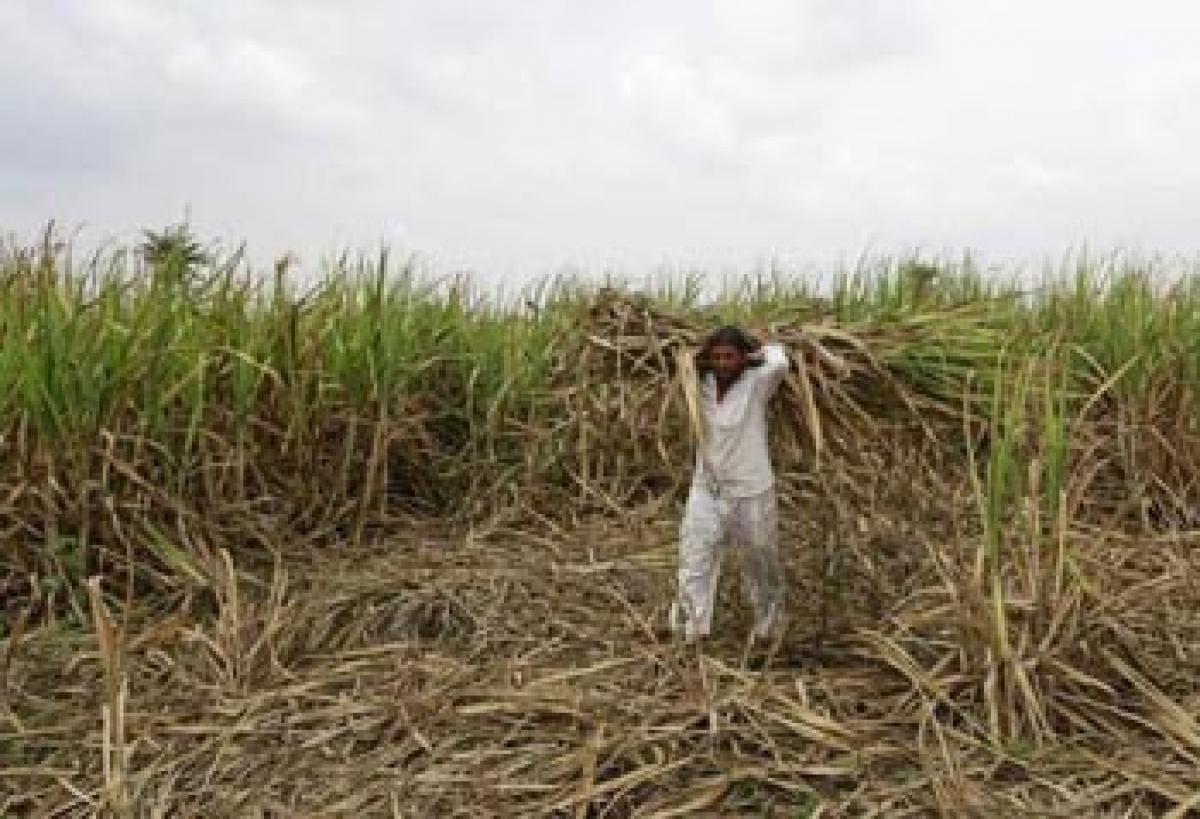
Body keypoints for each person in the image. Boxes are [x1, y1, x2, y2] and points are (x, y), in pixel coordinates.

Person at [670, 325, 789, 644]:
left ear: (743, 358)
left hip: (751, 491)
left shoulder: (757, 383)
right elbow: (681, 360)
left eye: (730, 357)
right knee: (695, 558)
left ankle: (770, 627)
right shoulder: (702, 384)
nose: (723, 363)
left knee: (760, 562)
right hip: (707, 489)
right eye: (717, 357)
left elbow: (780, 363)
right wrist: (696, 355)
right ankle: (691, 629)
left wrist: (764, 346)